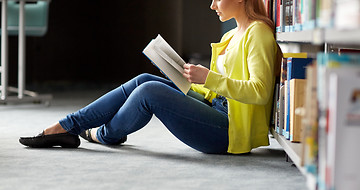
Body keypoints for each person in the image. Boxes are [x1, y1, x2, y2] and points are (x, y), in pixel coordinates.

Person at [19, 0, 282, 154]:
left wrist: (208, 77)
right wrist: (184, 78)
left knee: (148, 94)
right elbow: (216, 91)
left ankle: (103, 134)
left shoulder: (258, 33)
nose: (212, 5)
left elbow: (259, 92)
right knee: (144, 80)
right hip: (217, 108)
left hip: (230, 131)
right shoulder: (230, 35)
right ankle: (67, 125)